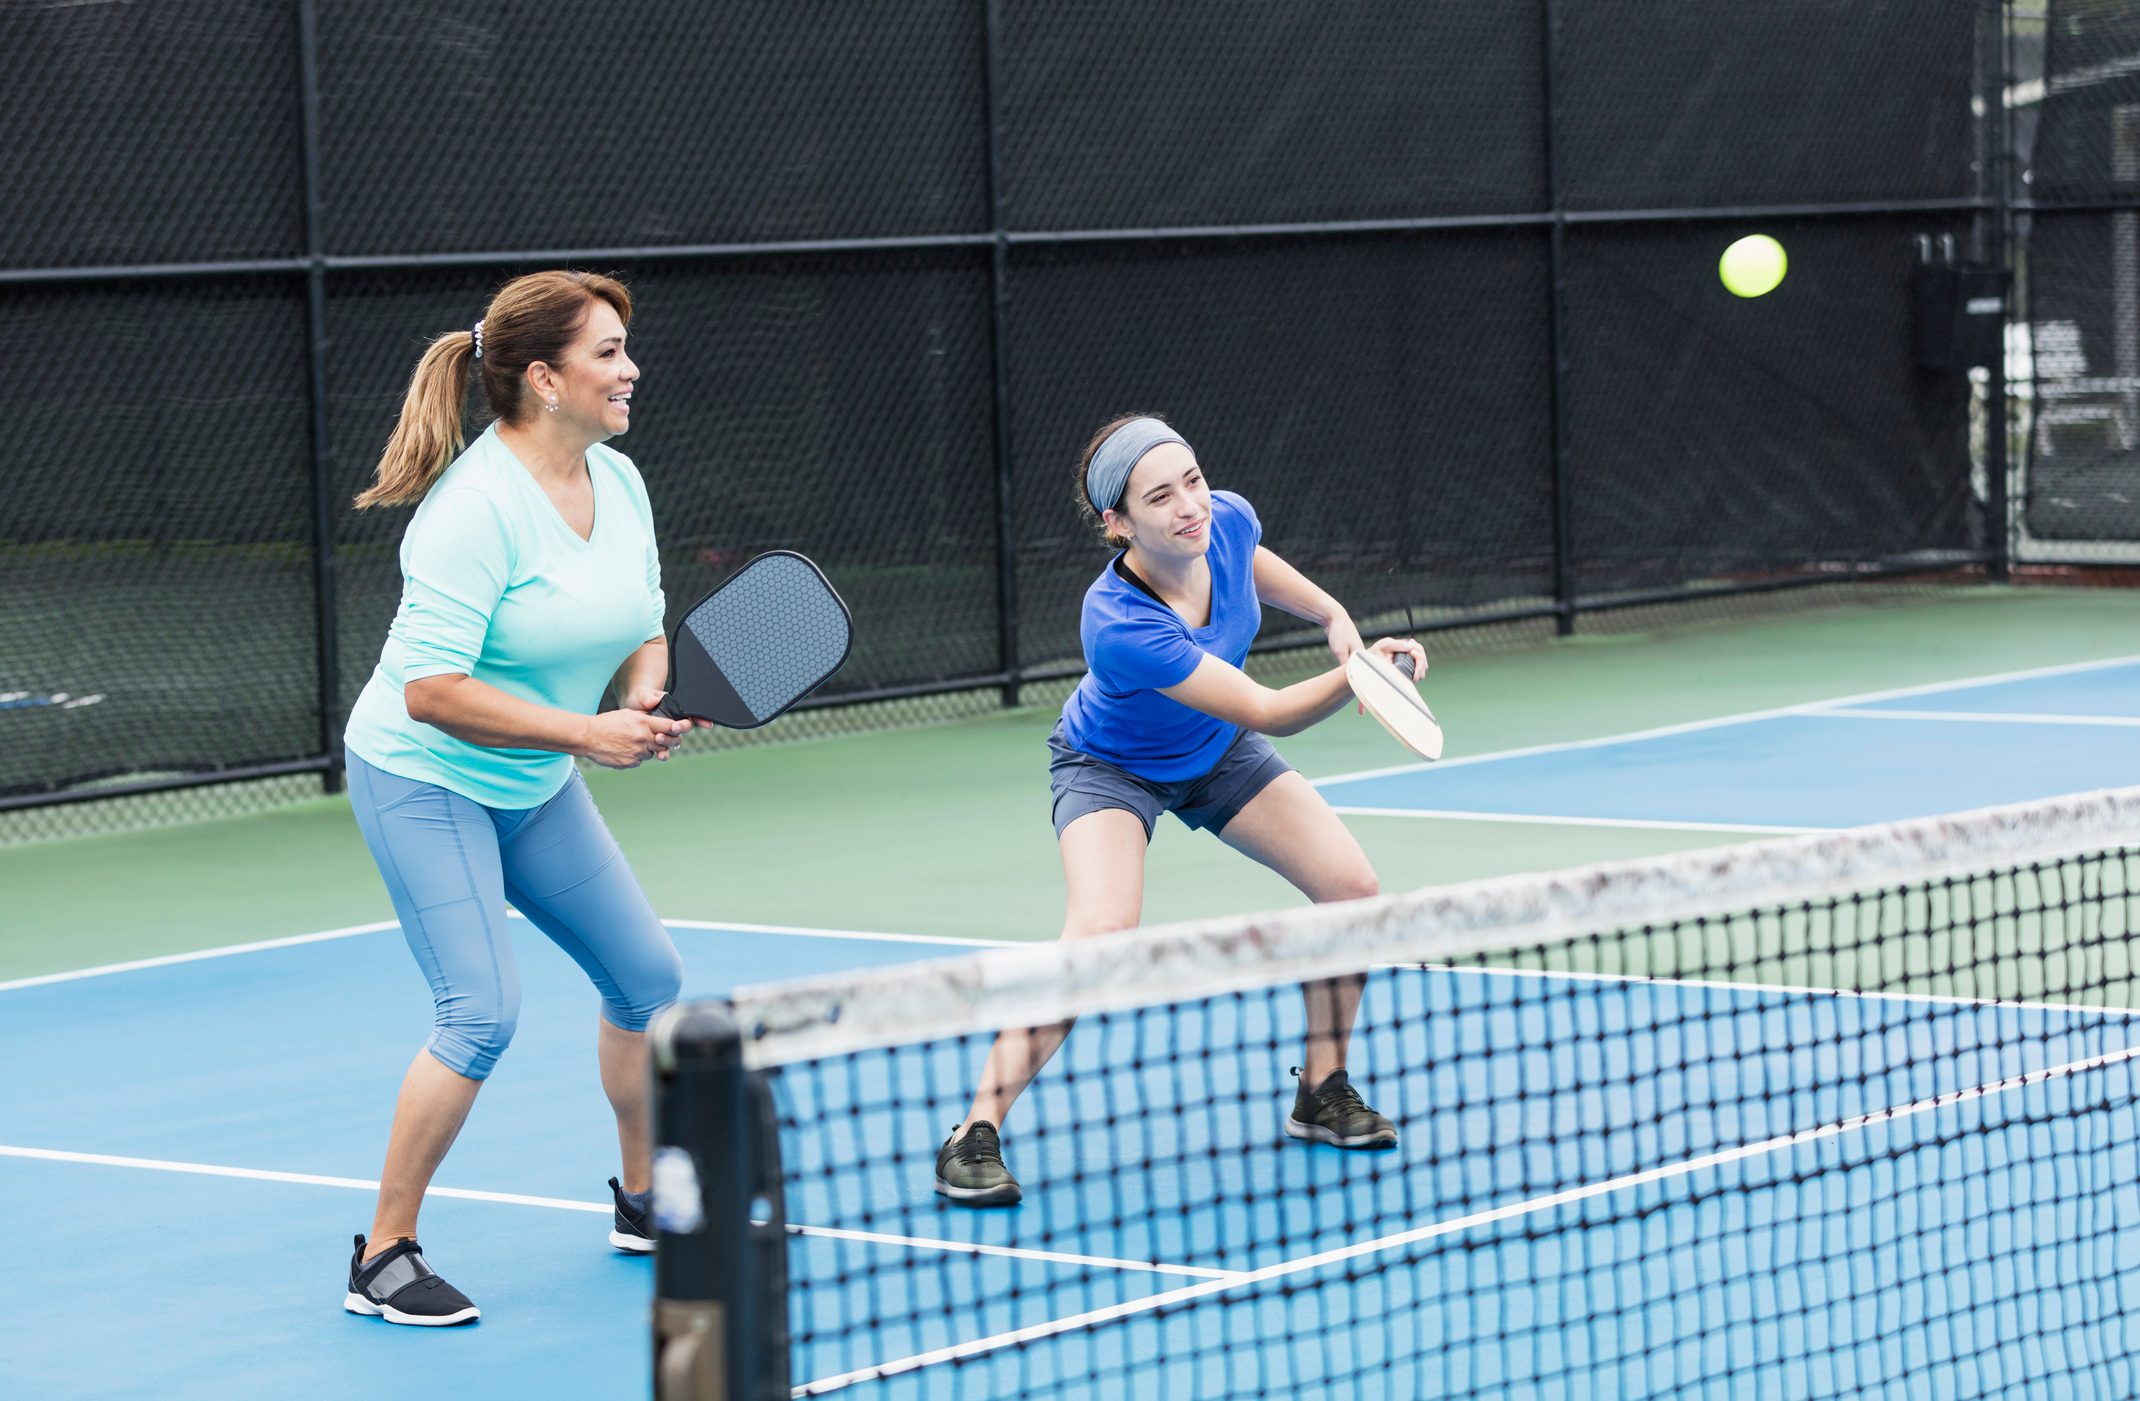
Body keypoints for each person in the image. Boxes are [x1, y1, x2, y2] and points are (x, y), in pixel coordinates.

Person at [935, 414, 1424, 1206]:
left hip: (1215, 752)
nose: (1189, 505)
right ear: (1118, 523)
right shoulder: (1118, 622)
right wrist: (1362, 675)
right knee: (1098, 935)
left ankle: (1322, 1086)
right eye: (1159, 497)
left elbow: (1248, 562)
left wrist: (1334, 616)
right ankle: (974, 1130)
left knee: (1352, 890)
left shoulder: (1221, 518)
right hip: (1112, 767)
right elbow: (1267, 708)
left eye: (1191, 480)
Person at [338, 270, 690, 1323]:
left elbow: (642, 613)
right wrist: (588, 731)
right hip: (422, 778)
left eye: (626, 349)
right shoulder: (473, 511)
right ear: (543, 378)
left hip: (532, 781)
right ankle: (384, 1254)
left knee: (645, 978)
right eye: (607, 354)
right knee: (480, 1014)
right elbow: (431, 691)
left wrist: (643, 687)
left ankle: (644, 1201)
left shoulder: (617, 482)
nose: (629, 370)